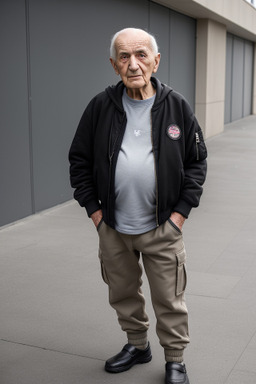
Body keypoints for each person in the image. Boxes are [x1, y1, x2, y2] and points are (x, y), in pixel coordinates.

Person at [69, 27, 207, 384]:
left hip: (162, 227)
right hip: (113, 227)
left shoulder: (177, 106)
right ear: (114, 65)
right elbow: (79, 161)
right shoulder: (100, 107)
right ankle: (137, 345)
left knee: (169, 298)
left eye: (141, 55)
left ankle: (175, 359)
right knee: (123, 294)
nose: (134, 64)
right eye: (125, 57)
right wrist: (96, 215)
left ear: (156, 61)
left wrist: (179, 216)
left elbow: (196, 162)